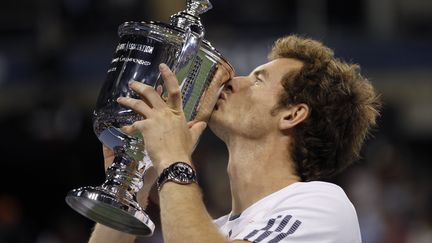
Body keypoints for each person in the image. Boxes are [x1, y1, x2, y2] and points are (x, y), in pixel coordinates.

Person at [88, 35, 381, 243]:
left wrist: (172, 158)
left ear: (292, 114)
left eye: (257, 80)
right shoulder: (214, 230)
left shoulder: (323, 206)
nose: (233, 81)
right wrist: (131, 186)